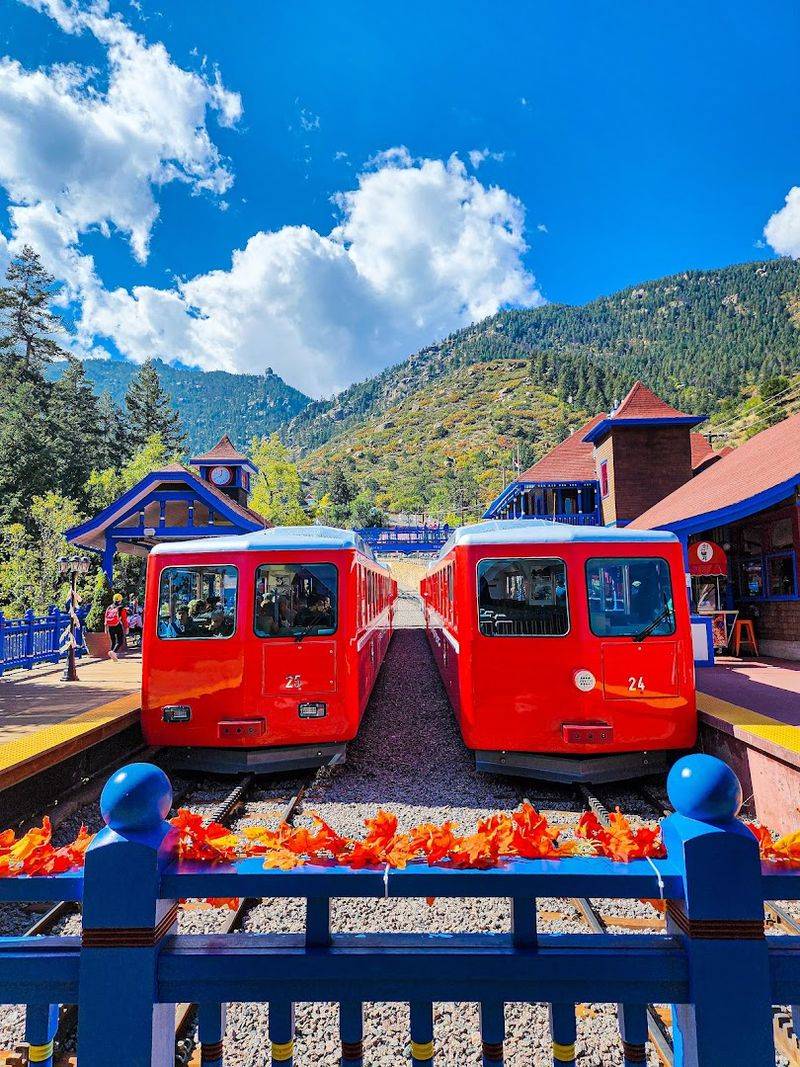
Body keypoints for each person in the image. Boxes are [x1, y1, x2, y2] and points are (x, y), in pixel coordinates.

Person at [105, 593, 128, 660]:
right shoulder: (121, 608)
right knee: (120, 641)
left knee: (113, 641)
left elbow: (106, 617)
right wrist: (126, 628)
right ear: (120, 600)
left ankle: (112, 656)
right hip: (117, 625)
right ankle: (113, 652)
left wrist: (106, 628)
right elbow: (124, 619)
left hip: (110, 626)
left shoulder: (109, 607)